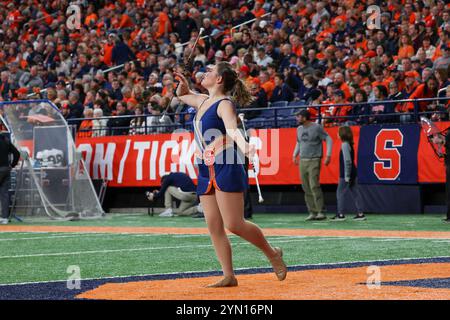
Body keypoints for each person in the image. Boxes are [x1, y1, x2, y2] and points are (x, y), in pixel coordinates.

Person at [173, 61, 287, 287]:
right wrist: (182, 87)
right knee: (214, 225)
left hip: (226, 162)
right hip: (205, 167)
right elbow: (183, 95)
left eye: (210, 71)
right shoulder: (203, 100)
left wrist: (245, 147)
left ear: (218, 80)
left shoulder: (225, 103)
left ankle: (273, 253)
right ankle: (229, 275)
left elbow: (232, 129)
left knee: (234, 224)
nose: (205, 72)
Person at [292, 109, 333, 221]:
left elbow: (328, 139)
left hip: (314, 159)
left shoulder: (316, 127)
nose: (297, 118)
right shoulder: (299, 129)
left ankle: (321, 211)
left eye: (299, 116)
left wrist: (328, 155)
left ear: (305, 118)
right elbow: (299, 142)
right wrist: (295, 154)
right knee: (305, 186)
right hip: (303, 160)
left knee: (314, 185)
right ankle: (312, 211)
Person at [332, 126, 366, 221]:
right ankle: (360, 214)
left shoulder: (344, 145)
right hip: (353, 172)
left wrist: (347, 176)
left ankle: (341, 214)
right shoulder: (349, 144)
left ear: (342, 134)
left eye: (338, 132)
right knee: (355, 193)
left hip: (347, 173)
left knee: (340, 193)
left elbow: (347, 161)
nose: (337, 134)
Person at [0, 132, 20, 224]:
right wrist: (12, 165)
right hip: (6, 169)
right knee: (4, 194)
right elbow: (17, 153)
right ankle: (4, 217)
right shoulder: (5, 140)